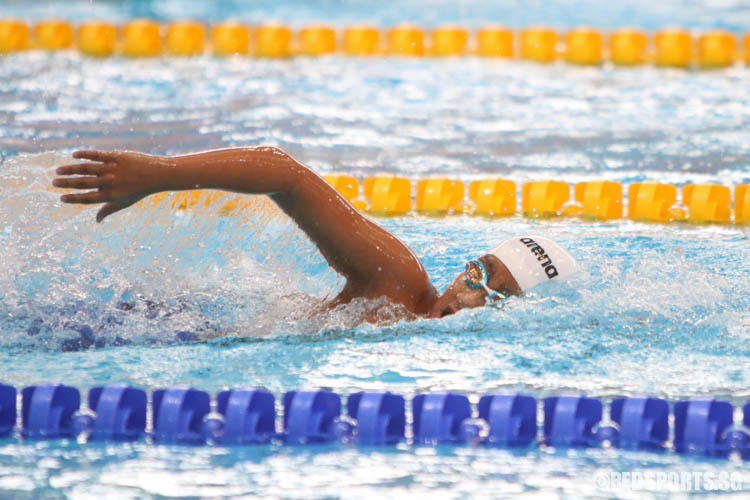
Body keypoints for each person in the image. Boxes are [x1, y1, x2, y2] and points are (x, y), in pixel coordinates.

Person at [53, 147, 578, 319]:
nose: (468, 296)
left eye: (497, 295)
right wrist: (160, 175)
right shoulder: (398, 282)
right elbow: (284, 172)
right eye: (479, 273)